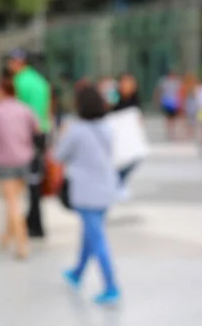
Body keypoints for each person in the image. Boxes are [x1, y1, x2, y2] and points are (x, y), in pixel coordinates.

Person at [55, 86, 121, 305]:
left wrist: (63, 133)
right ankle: (77, 273)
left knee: (97, 238)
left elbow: (59, 155)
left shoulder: (76, 130)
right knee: (90, 234)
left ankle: (111, 286)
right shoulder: (108, 128)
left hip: (86, 191)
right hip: (106, 189)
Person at [0, 79, 38, 259]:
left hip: (6, 160)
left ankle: (22, 244)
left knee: (12, 203)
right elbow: (36, 128)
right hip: (25, 158)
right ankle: (8, 235)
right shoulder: (25, 109)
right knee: (15, 200)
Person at [7, 49, 51, 239]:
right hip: (42, 133)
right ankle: (34, 220)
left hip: (28, 134)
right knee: (35, 179)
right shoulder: (40, 81)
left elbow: (16, 113)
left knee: (25, 181)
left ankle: (33, 223)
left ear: (18, 62)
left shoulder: (18, 82)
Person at [156, 71, 182, 140]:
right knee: (168, 116)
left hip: (174, 102)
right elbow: (159, 91)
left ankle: (172, 130)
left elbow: (179, 92)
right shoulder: (164, 82)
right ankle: (168, 130)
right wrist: (159, 100)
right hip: (167, 102)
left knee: (173, 117)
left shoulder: (177, 82)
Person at [181, 74, 200, 140]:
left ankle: (190, 132)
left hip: (193, 104)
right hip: (191, 104)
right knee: (191, 119)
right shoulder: (187, 87)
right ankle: (190, 132)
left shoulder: (195, 87)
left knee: (192, 119)